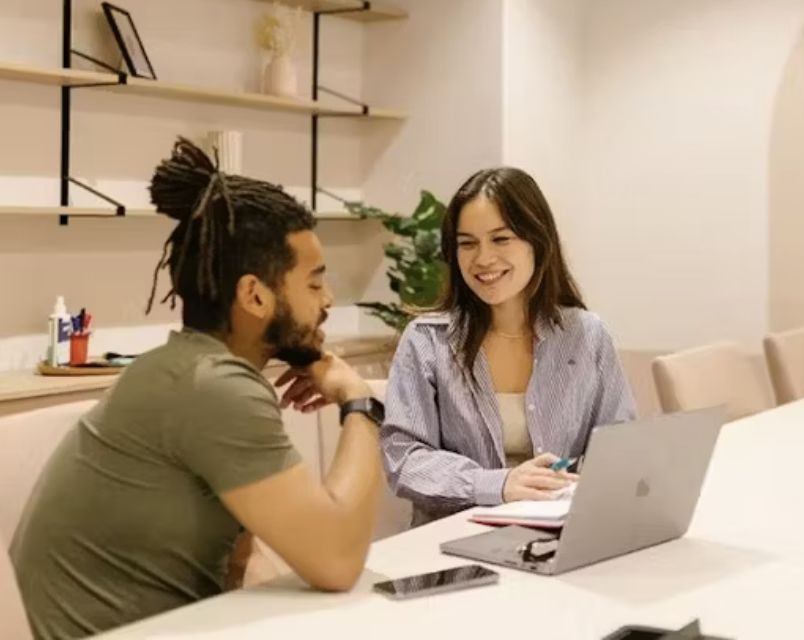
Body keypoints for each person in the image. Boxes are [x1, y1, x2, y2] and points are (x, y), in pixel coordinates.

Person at [9, 138, 386, 640]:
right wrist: (359, 403)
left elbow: (242, 561)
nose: (328, 300)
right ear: (255, 295)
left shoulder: (183, 368)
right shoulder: (214, 387)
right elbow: (337, 561)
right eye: (315, 284)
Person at [381, 167, 637, 524]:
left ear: (537, 241)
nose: (483, 259)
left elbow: (619, 442)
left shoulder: (587, 334)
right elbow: (404, 460)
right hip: (456, 541)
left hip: (561, 533)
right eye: (467, 243)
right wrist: (499, 484)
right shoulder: (426, 341)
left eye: (501, 239)